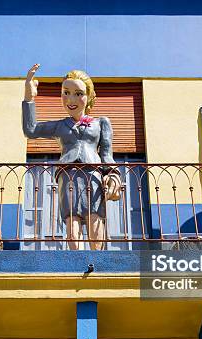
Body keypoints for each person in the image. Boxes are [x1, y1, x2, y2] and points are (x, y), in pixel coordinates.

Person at [22, 64, 121, 250]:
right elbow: (31, 130)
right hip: (67, 176)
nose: (71, 99)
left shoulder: (101, 123)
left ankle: (97, 262)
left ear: (90, 96)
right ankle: (76, 261)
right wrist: (29, 97)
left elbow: (107, 155)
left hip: (94, 174)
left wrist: (114, 175)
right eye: (66, 92)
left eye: (78, 93)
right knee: (71, 219)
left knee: (94, 217)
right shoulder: (60, 125)